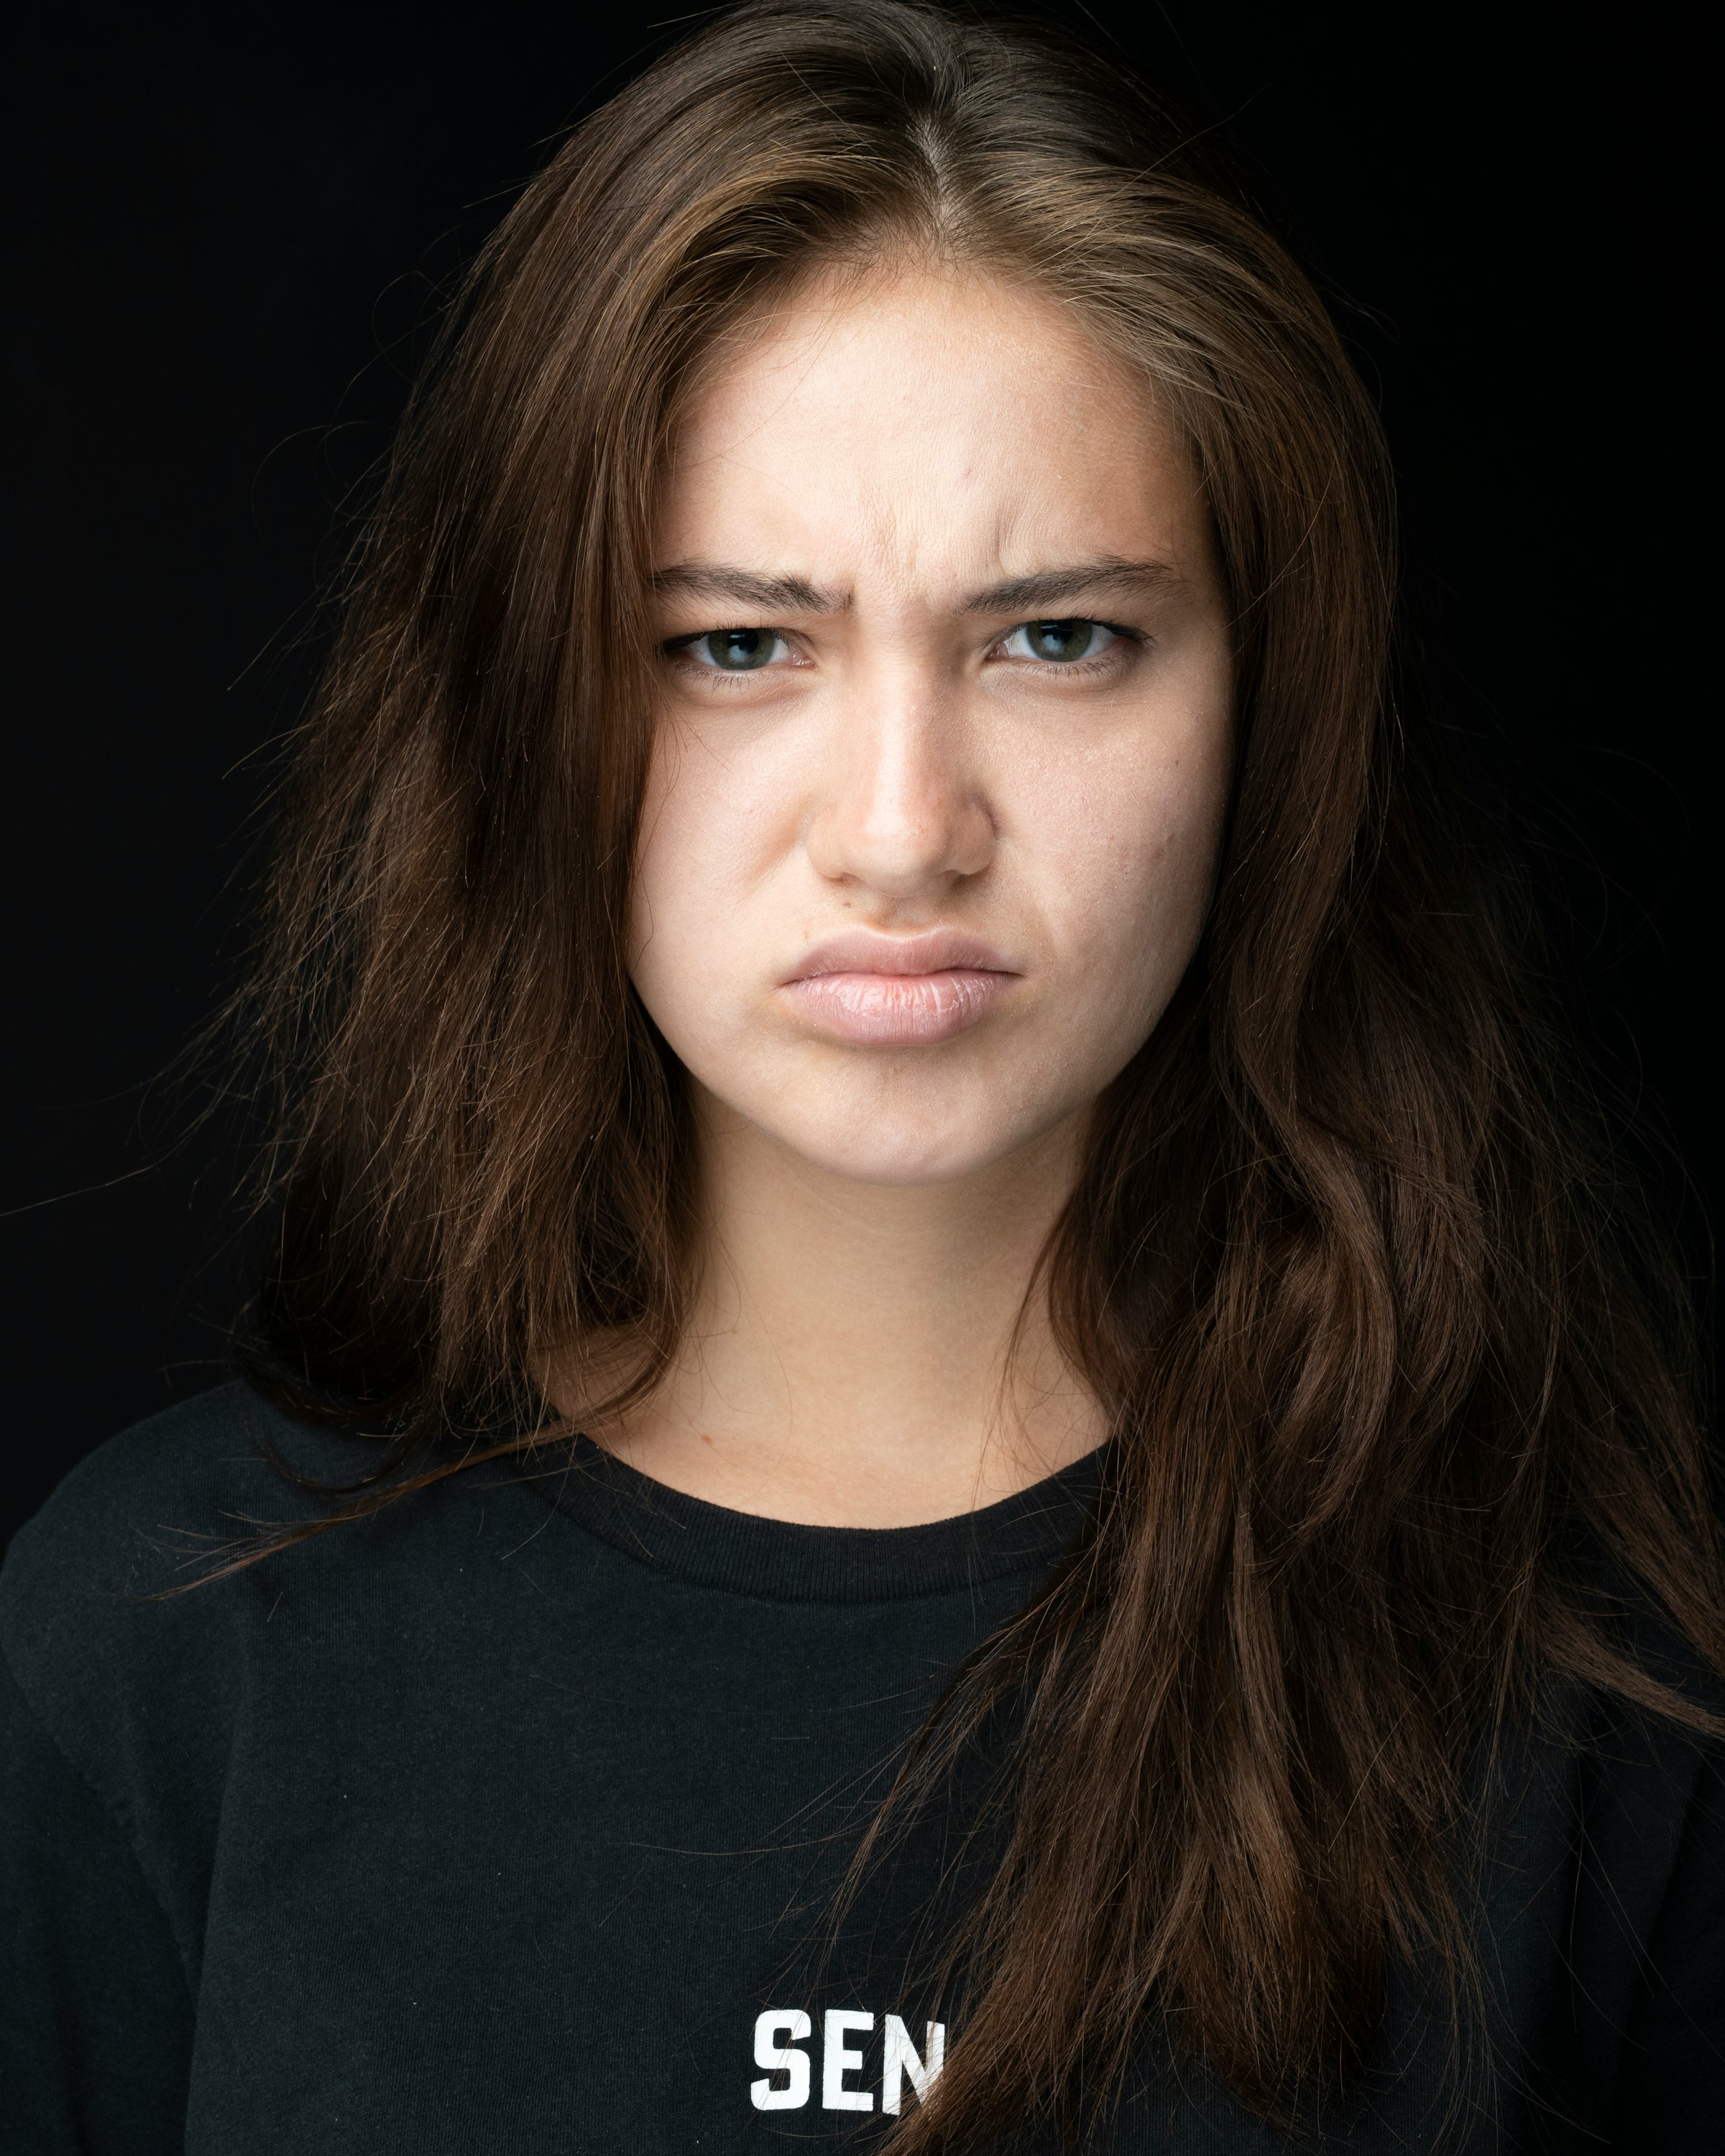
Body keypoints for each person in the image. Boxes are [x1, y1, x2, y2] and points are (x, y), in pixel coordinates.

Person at [3, 4, 1720, 2149]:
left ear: (1265, 714)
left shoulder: (1603, 1687)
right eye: (736, 645)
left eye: (1057, 637)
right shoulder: (160, 1653)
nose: (904, 829)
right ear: (527, 707)